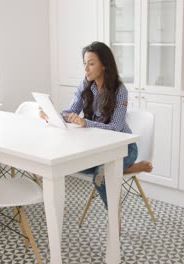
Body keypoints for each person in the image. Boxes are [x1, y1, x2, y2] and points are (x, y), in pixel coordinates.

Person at [40, 41, 152, 208]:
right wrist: (52, 115)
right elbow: (70, 111)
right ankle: (129, 168)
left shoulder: (120, 90)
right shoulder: (84, 85)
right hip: (97, 145)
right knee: (71, 165)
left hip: (123, 147)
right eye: (85, 64)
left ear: (104, 65)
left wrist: (86, 122)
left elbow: (115, 127)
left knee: (100, 177)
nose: (86, 69)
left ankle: (114, 215)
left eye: (91, 64)